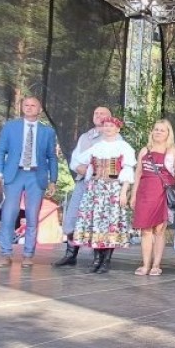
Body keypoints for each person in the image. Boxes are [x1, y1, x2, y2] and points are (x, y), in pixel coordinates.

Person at [0, 96, 58, 268]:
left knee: (32, 216)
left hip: (36, 175)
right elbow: (0, 151)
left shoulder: (47, 131)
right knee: (9, 214)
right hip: (14, 174)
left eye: (33, 105)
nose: (29, 107)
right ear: (22, 107)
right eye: (26, 105)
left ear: (40, 109)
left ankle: (28, 254)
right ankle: (5, 253)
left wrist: (53, 180)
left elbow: (52, 157)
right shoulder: (10, 127)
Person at [72, 116, 137, 273]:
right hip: (95, 189)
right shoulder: (97, 147)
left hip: (113, 188)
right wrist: (90, 175)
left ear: (118, 129)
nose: (108, 128)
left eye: (111, 126)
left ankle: (106, 260)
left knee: (110, 223)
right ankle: (97, 259)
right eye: (106, 125)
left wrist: (124, 192)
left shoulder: (123, 147)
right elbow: (80, 161)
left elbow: (128, 170)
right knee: (96, 222)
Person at [55, 106, 112, 267]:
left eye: (102, 113)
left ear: (110, 117)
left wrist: (97, 171)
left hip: (102, 185)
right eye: (96, 113)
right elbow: (75, 159)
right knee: (72, 217)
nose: (98, 115)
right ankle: (70, 254)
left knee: (99, 220)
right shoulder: (85, 137)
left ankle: (100, 258)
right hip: (83, 182)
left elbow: (117, 163)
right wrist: (79, 167)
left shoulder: (114, 137)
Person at [131, 119, 175, 276]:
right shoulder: (144, 151)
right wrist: (133, 195)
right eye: (156, 129)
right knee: (145, 230)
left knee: (159, 230)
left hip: (162, 194)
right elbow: (138, 174)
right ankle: (145, 264)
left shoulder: (173, 152)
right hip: (145, 193)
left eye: (162, 130)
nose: (158, 132)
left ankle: (156, 264)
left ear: (168, 133)